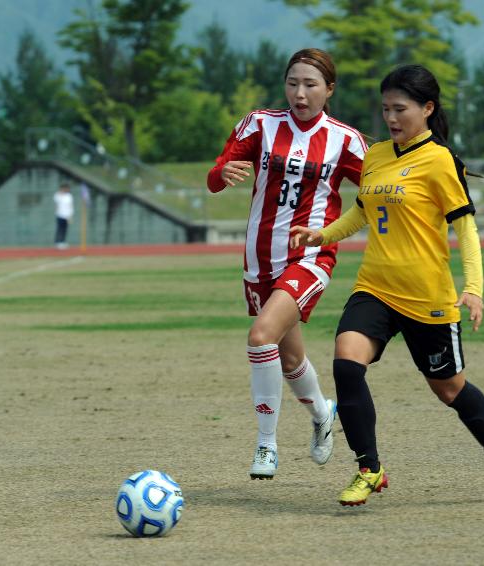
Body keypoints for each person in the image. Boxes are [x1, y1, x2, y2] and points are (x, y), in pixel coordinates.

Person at [290, 64, 484, 505]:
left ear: (428, 109)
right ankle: (369, 468)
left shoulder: (440, 161)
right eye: (385, 109)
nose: (391, 119)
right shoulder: (375, 155)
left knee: (448, 388)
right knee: (346, 363)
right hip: (375, 285)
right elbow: (363, 211)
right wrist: (324, 234)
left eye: (401, 109)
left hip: (427, 297)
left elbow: (465, 228)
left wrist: (474, 288)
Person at [206, 48, 366, 479]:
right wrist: (222, 174)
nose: (300, 92)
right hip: (260, 259)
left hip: (310, 256)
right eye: (293, 82)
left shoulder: (345, 140)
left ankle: (266, 445)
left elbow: (379, 185)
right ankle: (321, 414)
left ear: (329, 90)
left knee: (261, 338)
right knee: (290, 358)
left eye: (311, 84)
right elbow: (217, 172)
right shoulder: (259, 123)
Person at [54, 183, 74, 249]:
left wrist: (70, 216)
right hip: (60, 215)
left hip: (67, 215)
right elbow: (56, 203)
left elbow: (70, 206)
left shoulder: (69, 196)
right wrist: (61, 193)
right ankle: (58, 242)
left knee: (65, 229)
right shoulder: (57, 195)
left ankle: (63, 241)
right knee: (59, 229)